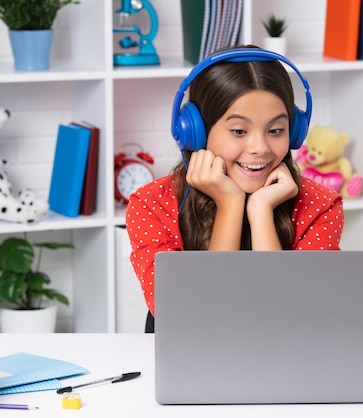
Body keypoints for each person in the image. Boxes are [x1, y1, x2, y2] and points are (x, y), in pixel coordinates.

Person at [126, 46, 344, 328]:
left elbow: (295, 318)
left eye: (276, 130)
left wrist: (261, 209)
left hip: (288, 360)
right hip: (195, 360)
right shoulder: (151, 204)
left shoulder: (320, 204)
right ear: (197, 132)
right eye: (239, 131)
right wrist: (230, 204)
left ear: (295, 131)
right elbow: (191, 320)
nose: (260, 148)